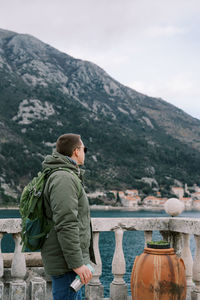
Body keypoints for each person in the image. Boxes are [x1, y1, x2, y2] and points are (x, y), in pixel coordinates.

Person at [41, 133, 96, 300]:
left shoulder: (66, 175)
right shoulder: (63, 178)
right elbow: (66, 224)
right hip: (66, 264)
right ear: (76, 151)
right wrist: (77, 264)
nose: (85, 152)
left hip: (68, 262)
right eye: (84, 149)